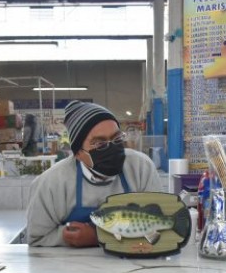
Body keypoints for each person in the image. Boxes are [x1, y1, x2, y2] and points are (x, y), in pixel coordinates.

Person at [26, 100, 161, 247]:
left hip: (133, 258)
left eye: (117, 138)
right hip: (73, 262)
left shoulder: (141, 168)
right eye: (99, 144)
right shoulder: (52, 183)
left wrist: (98, 236)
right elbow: (36, 238)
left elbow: (158, 225)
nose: (112, 148)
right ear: (78, 153)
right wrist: (66, 236)